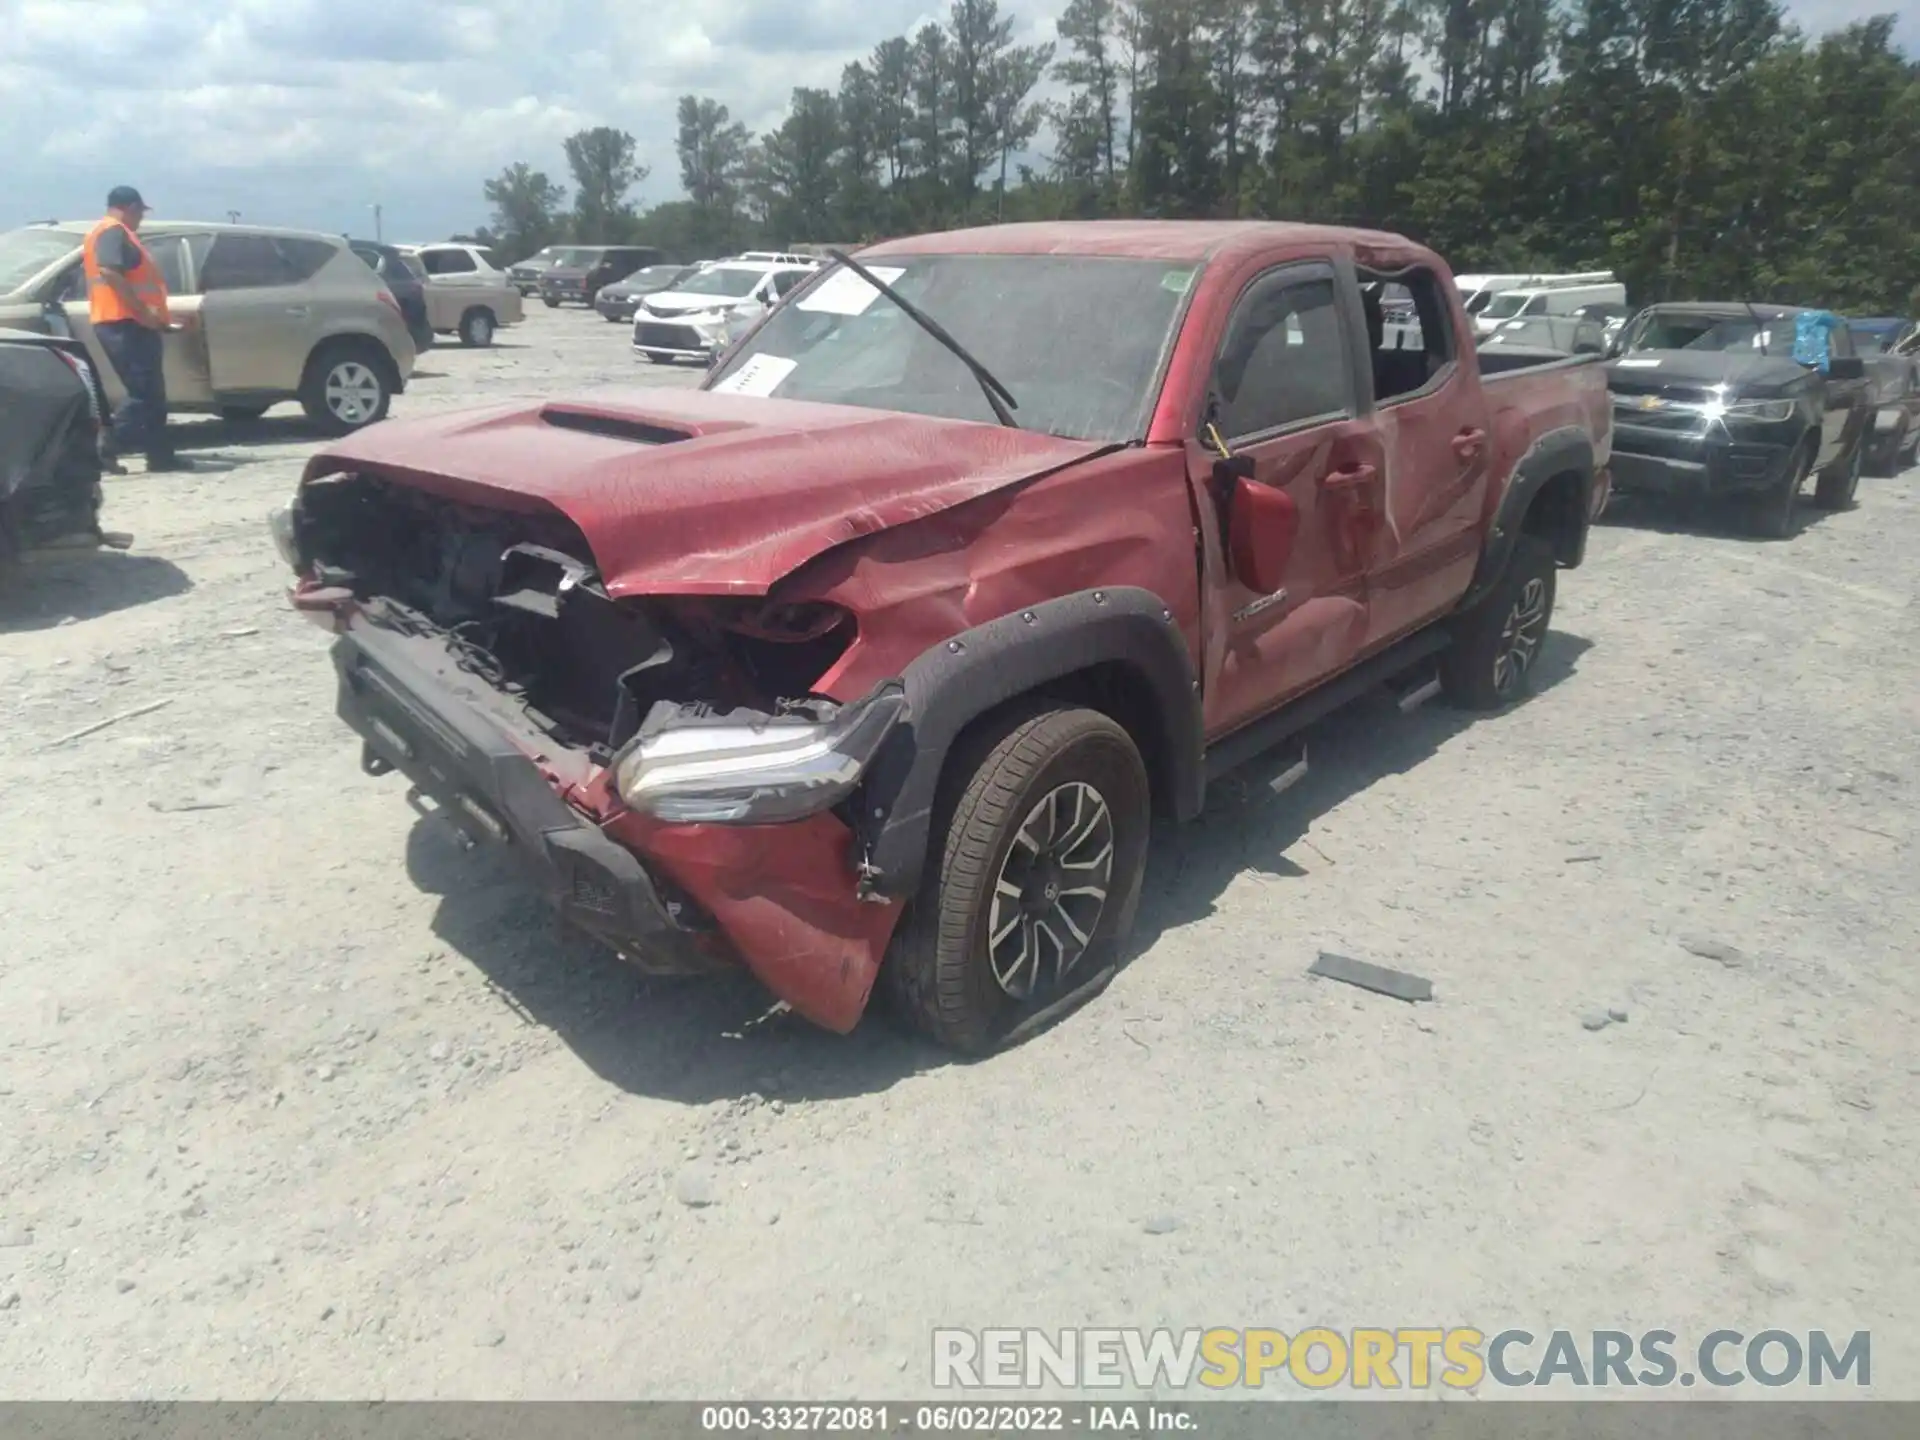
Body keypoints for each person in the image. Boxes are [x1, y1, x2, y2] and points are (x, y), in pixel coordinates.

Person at [84, 185, 188, 473]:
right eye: (140, 211)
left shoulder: (112, 232)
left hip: (128, 322)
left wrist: (161, 319)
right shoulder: (112, 231)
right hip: (124, 323)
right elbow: (109, 271)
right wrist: (142, 313)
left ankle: (160, 456)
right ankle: (105, 448)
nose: (141, 218)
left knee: (151, 394)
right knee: (143, 393)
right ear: (130, 207)